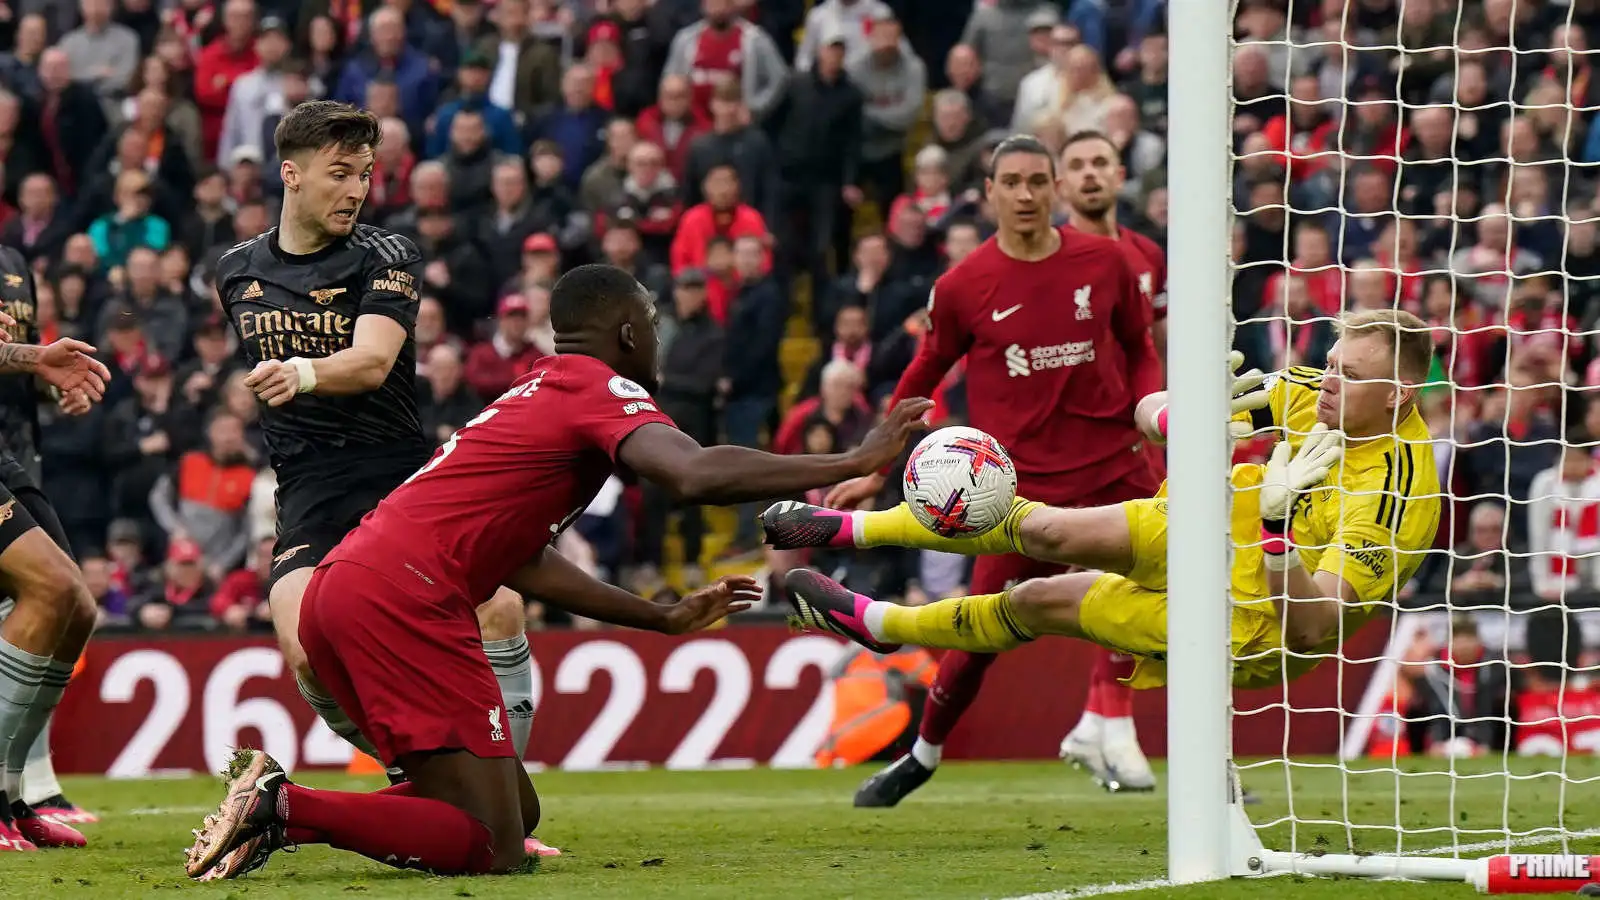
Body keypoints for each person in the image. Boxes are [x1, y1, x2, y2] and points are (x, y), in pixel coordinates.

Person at [182, 264, 932, 881]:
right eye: (655, 330)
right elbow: (696, 474)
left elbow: (525, 561)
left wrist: (659, 616)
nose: (658, 346)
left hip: (346, 592)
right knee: (494, 847)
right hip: (400, 600)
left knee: (515, 812)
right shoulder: (599, 388)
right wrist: (854, 459)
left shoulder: (534, 393)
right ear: (630, 332)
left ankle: (304, 814)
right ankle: (285, 807)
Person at [767, 310, 1442, 726]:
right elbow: (1148, 412)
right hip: (1213, 524)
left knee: (1033, 598)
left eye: (1348, 374)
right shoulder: (1307, 397)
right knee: (1044, 528)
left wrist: (1275, 536)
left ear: (1399, 395)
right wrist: (1183, 417)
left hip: (1252, 620)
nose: (1327, 380)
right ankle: (846, 529)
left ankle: (884, 624)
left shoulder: (1396, 495)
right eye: (1330, 363)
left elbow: (1316, 624)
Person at [815, 134, 1164, 807]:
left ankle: (1158, 743)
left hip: (1117, 471)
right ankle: (922, 755)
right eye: (1013, 182)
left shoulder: (1107, 262)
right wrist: (874, 462)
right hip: (1017, 491)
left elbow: (1139, 347)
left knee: (1176, 602)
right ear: (991, 192)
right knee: (976, 633)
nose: (1028, 194)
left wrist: (1151, 401)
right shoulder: (964, 285)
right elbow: (923, 372)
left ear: (1055, 187)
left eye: (1039, 181)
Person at [215, 101, 536, 820]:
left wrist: (298, 373)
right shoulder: (235, 270)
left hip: (398, 477)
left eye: (364, 173)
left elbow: (371, 361)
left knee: (499, 609)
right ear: (290, 174)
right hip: (309, 488)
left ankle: (508, 802)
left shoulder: (387, 256)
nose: (357, 189)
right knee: (304, 646)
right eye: (339, 173)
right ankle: (418, 776)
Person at [1051, 129, 1170, 788]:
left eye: (1101, 162)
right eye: (1078, 165)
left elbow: (1148, 344)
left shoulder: (1148, 254)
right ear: (1061, 184)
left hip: (1133, 441)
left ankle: (1107, 724)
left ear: (1121, 174)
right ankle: (1102, 724)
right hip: (1067, 445)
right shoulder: (1050, 256)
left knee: (1144, 579)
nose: (1092, 175)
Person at [0, 272, 112, 850]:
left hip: (11, 449)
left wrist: (43, 373)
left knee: (75, 604)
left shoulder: (15, 259)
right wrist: (32, 355)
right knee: (45, 589)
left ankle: (14, 796)